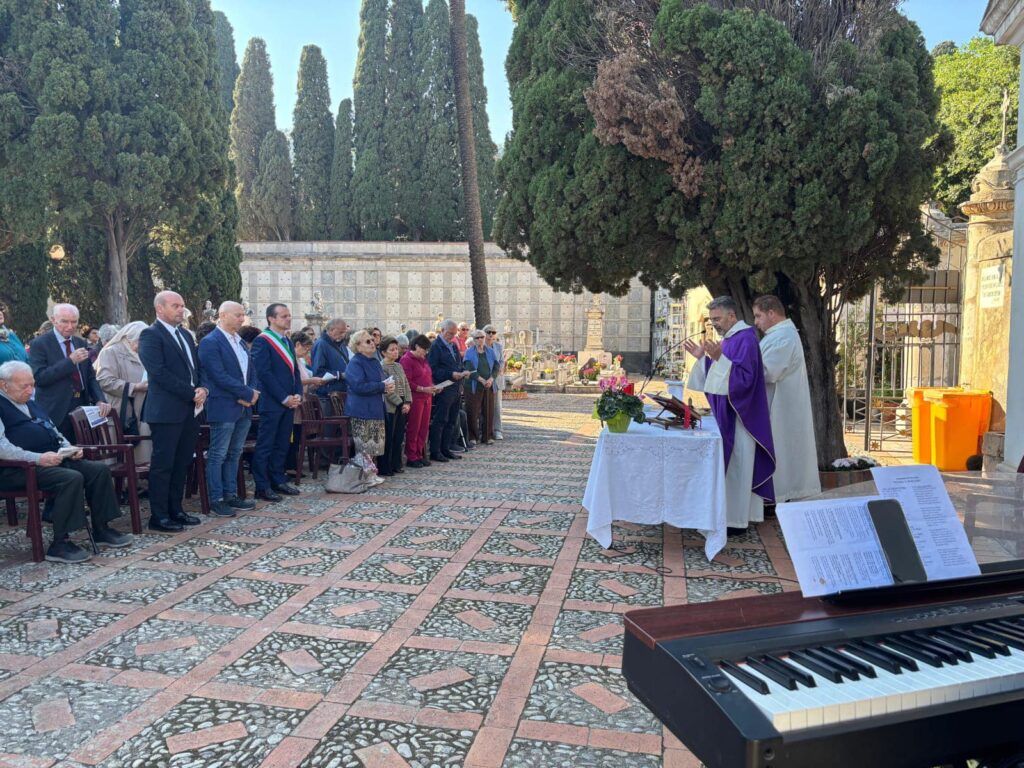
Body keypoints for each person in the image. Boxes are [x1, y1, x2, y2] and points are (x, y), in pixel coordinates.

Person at [0, 361, 131, 562]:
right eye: (24, 386)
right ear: (3, 385)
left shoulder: (30, 403)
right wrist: (38, 458)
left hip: (50, 459)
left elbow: (53, 430)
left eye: (32, 385)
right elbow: (3, 449)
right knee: (70, 478)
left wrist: (69, 449)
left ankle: (101, 528)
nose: (30, 390)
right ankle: (60, 543)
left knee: (98, 470)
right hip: (17, 468)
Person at [685, 296, 775, 529]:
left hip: (741, 417)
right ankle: (733, 517)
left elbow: (745, 380)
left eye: (717, 318)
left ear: (732, 316)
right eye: (711, 319)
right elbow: (719, 373)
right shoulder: (729, 339)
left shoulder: (745, 339)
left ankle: (735, 521)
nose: (713, 323)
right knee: (735, 467)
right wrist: (704, 359)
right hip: (729, 414)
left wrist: (719, 360)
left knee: (738, 467)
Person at [139, 291, 208, 532]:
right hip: (166, 412)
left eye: (182, 305)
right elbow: (158, 373)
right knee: (163, 464)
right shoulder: (150, 335)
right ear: (160, 308)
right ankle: (159, 516)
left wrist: (202, 388)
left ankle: (176, 509)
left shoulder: (186, 335)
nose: (181, 310)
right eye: (175, 306)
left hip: (189, 411)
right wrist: (191, 392)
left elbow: (195, 368)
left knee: (182, 463)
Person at [752, 295, 821, 502]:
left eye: (758, 316)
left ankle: (776, 496)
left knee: (782, 451)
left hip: (782, 406)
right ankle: (776, 495)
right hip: (781, 404)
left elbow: (769, 372)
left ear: (771, 313)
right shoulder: (780, 335)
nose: (755, 322)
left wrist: (741, 370)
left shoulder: (783, 337)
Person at [198, 301, 260, 518]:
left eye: (243, 315)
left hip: (244, 406)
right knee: (218, 453)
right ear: (222, 315)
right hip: (224, 405)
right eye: (237, 315)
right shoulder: (211, 342)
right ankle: (216, 499)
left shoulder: (241, 342)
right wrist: (245, 394)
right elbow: (217, 375)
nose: (241, 319)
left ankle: (231, 494)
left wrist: (252, 392)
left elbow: (251, 370)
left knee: (235, 452)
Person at [29, 303, 110, 441]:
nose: (70, 326)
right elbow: (40, 378)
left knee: (86, 453)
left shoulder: (80, 343)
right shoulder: (40, 344)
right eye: (65, 321)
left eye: (74, 322)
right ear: (53, 320)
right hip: (56, 409)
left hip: (82, 406)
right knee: (62, 456)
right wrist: (70, 361)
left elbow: (90, 376)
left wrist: (99, 399)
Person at [250, 303, 303, 502]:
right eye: (283, 316)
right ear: (271, 318)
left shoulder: (287, 341)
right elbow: (264, 374)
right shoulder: (262, 341)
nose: (288, 319)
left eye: (289, 315)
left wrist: (297, 394)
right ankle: (262, 486)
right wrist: (284, 397)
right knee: (266, 444)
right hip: (272, 402)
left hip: (289, 401)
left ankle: (278, 479)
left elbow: (294, 371)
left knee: (282, 443)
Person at [94, 321, 152, 465]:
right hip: (120, 409)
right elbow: (104, 381)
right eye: (141, 341)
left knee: (142, 455)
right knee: (118, 458)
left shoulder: (143, 353)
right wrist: (134, 387)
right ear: (129, 338)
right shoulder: (110, 352)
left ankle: (138, 485)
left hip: (143, 409)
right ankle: (122, 486)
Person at [344, 329, 395, 482]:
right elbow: (358, 386)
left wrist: (387, 386)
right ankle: (363, 476)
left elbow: (380, 381)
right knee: (364, 446)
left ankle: (371, 474)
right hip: (362, 410)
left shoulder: (373, 361)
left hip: (376, 408)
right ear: (358, 346)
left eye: (372, 340)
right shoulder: (355, 363)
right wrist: (382, 386)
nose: (372, 343)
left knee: (374, 446)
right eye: (367, 341)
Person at [427, 320, 471, 462]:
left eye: (453, 334)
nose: (451, 336)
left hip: (456, 388)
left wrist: (463, 372)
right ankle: (436, 451)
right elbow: (432, 369)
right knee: (440, 420)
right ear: (442, 330)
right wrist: (450, 374)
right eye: (449, 333)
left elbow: (458, 364)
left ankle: (446, 449)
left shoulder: (453, 345)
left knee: (452, 420)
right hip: (444, 389)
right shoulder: (436, 346)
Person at [401, 334, 437, 468]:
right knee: (414, 427)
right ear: (416, 346)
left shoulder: (423, 360)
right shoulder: (406, 360)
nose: (426, 352)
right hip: (415, 398)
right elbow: (407, 382)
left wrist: (433, 387)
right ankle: (411, 455)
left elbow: (427, 376)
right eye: (424, 349)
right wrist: (423, 388)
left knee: (423, 428)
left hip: (427, 397)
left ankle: (420, 453)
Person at [379, 336, 412, 476]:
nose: (395, 352)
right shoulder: (382, 367)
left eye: (396, 349)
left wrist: (408, 402)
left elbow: (405, 384)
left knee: (399, 436)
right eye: (391, 350)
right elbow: (387, 389)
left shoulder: (398, 365)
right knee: (389, 437)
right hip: (391, 406)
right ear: (383, 352)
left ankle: (396, 464)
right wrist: (399, 403)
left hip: (402, 404)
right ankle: (385, 467)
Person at [463, 329, 497, 445]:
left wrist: (491, 379)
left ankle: (487, 436)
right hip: (473, 386)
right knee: (473, 411)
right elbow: (469, 367)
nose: (480, 339)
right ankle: (473, 437)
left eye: (482, 337)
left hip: (489, 385)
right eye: (477, 338)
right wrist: (482, 380)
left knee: (488, 411)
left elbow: (496, 366)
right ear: (473, 339)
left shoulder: (490, 351)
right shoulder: (469, 352)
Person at [312, 318, 351, 411]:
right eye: (341, 332)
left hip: (341, 394)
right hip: (327, 396)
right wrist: (340, 375)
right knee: (330, 425)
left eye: (345, 332)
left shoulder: (341, 345)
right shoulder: (321, 344)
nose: (343, 335)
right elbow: (318, 371)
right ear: (331, 330)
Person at [483, 324, 505, 440]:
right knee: (484, 405)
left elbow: (501, 361)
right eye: (488, 332)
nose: (491, 334)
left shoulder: (498, 347)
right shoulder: (480, 346)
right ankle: (485, 430)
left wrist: (499, 369)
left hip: (496, 380)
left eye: (493, 332)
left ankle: (497, 430)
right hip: (484, 380)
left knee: (497, 406)